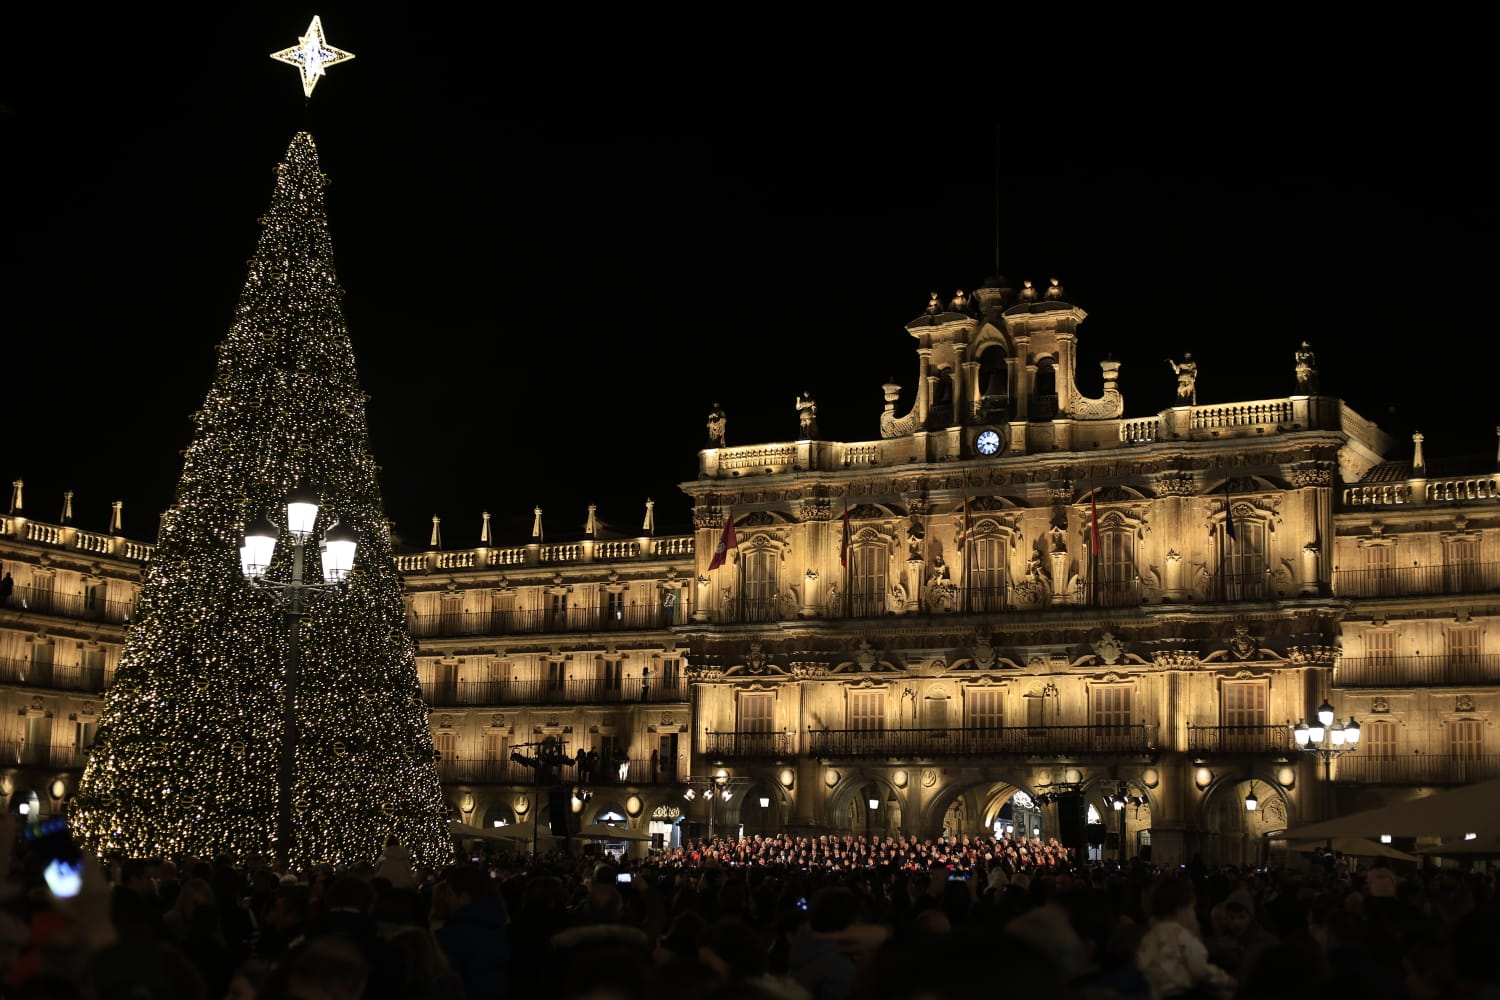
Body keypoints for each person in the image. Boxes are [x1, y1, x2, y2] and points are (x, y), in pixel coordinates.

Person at [1136, 876, 1234, 1000]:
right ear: (1180, 910)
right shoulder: (1180, 935)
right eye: (1192, 908)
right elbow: (1199, 968)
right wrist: (1225, 979)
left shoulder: (1151, 935)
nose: (1194, 914)